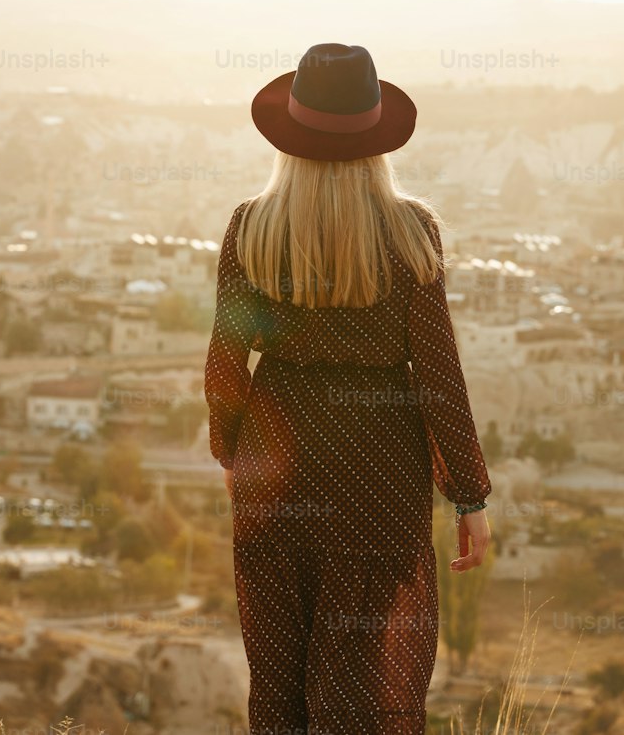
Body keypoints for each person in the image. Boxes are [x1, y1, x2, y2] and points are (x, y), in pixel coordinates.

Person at [205, 43, 492, 735]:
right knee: (364, 673)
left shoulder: (253, 226)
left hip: (277, 474)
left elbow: (224, 362)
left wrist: (231, 455)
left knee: (280, 667)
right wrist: (470, 495)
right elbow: (439, 374)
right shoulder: (410, 231)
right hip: (379, 475)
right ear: (377, 139)